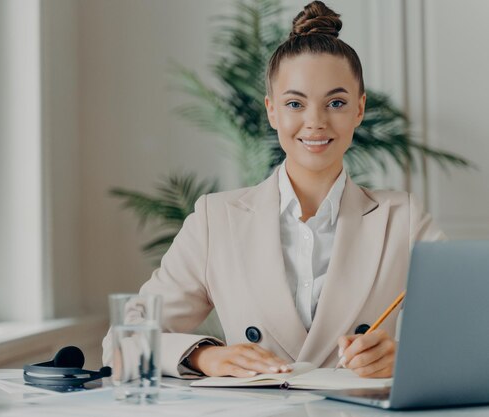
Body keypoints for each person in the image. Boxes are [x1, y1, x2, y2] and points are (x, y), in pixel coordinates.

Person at [103, 0, 444, 379]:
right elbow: (122, 340)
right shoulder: (216, 219)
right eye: (295, 103)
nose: (315, 122)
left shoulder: (403, 219)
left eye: (336, 102)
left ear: (359, 109)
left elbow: (469, 333)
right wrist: (205, 356)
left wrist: (405, 356)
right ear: (271, 111)